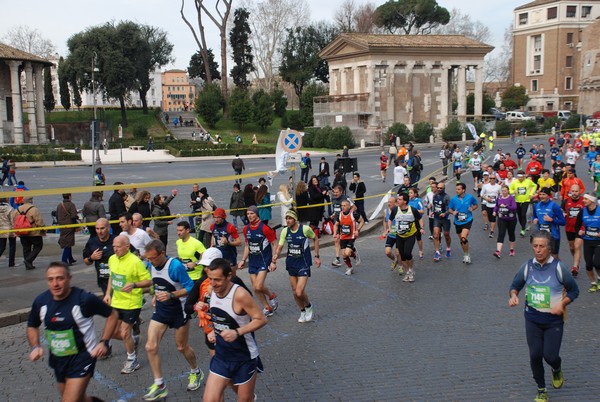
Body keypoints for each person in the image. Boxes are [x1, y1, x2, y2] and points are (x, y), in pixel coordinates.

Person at [27, 262, 118, 402]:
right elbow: (32, 325)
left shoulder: (84, 299)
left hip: (83, 357)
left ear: (69, 278)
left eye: (60, 278)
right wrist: (35, 346)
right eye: (51, 279)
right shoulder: (41, 301)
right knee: (80, 399)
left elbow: (112, 315)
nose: (55, 284)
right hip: (58, 358)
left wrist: (104, 342)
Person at [509, 231, 579, 402]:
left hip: (553, 321)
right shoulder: (527, 266)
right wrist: (513, 295)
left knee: (550, 356)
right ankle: (541, 389)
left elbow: (574, 290)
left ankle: (556, 368)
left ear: (549, 248)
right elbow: (515, 285)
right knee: (535, 355)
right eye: (535, 246)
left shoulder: (559, 267)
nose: (538, 250)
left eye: (542, 247)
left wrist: (562, 304)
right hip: (532, 318)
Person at [143, 240, 202, 401]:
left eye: (153, 258)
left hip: (179, 311)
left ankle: (195, 371)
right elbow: (156, 282)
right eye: (148, 259)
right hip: (162, 311)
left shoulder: (175, 266)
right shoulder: (151, 265)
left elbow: (191, 287)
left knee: (181, 347)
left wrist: (171, 295)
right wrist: (155, 293)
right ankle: (160, 384)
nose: (151, 262)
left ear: (162, 253)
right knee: (150, 346)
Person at [202, 258, 268, 402]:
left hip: (243, 357)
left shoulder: (240, 295)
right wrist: (214, 330)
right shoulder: (211, 290)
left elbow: (261, 319)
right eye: (210, 279)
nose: (213, 284)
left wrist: (237, 332)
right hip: (222, 356)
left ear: (229, 276)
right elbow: (219, 316)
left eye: (218, 280)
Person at [104, 235, 152, 374]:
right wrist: (108, 294)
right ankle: (132, 339)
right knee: (111, 333)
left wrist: (134, 284)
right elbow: (112, 277)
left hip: (132, 303)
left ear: (127, 246)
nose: (115, 249)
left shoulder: (135, 262)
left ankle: (132, 360)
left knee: (125, 332)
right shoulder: (112, 259)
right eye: (113, 246)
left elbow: (148, 281)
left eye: (118, 247)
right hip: (116, 302)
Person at [271, 209, 320, 322]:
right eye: (286, 218)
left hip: (303, 263)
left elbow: (315, 239)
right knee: (294, 291)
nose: (287, 220)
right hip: (291, 263)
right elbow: (280, 246)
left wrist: (316, 256)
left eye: (290, 218)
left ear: (295, 219)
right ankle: (302, 311)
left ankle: (308, 306)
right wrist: (275, 257)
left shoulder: (305, 229)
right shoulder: (285, 231)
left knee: (299, 291)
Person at [238, 205, 279, 317]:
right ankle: (268, 307)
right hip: (252, 261)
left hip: (264, 261)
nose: (250, 216)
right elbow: (247, 245)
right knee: (255, 288)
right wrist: (243, 260)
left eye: (252, 213)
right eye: (248, 214)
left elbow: (275, 243)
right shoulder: (246, 229)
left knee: (258, 286)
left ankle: (271, 296)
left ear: (257, 214)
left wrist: (273, 261)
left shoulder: (264, 228)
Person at [390, 193, 423, 282]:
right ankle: (408, 272)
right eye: (398, 199)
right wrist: (388, 229)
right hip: (399, 236)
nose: (398, 201)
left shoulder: (412, 210)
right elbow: (390, 219)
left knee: (407, 253)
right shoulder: (395, 210)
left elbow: (420, 218)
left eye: (400, 199)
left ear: (405, 201)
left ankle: (411, 269)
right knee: (402, 256)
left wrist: (422, 228)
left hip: (410, 235)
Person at [574, 194, 600, 292]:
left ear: (592, 200)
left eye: (586, 199)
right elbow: (577, 226)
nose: (583, 200)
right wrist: (579, 233)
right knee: (589, 264)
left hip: (598, 241)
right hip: (588, 241)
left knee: (597, 263)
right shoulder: (582, 212)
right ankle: (593, 283)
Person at [83, 218, 115, 294]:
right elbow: (86, 261)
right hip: (103, 280)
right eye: (97, 229)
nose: (100, 231)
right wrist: (92, 258)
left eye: (102, 228)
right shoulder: (92, 242)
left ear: (108, 228)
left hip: (117, 279)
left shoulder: (116, 240)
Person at [448, 183, 478, 264]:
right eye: (456, 189)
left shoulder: (470, 197)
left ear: (463, 190)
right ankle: (466, 254)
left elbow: (476, 205)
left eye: (458, 189)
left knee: (463, 238)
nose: (456, 190)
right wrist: (452, 212)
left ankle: (467, 256)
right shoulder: (454, 199)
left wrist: (472, 208)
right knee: (461, 240)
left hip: (467, 220)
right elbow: (449, 209)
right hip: (457, 222)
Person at [532, 188, 566, 259]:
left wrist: (552, 220)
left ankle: (558, 268)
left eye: (544, 194)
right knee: (543, 255)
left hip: (553, 235)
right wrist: (534, 219)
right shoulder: (536, 205)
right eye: (540, 194)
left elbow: (563, 222)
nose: (541, 196)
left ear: (549, 195)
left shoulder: (554, 206)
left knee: (554, 256)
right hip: (541, 235)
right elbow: (534, 216)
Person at [333, 199, 364, 276]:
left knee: (347, 253)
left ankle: (353, 254)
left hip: (351, 236)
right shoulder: (339, 215)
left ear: (349, 206)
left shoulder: (353, 214)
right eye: (341, 206)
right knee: (344, 255)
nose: (342, 207)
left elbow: (362, 221)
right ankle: (350, 267)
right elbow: (336, 224)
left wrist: (358, 230)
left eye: (344, 206)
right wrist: (335, 233)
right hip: (343, 237)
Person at [562, 184, 584, 276]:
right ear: (570, 191)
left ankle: (575, 266)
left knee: (577, 246)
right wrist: (563, 214)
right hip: (569, 228)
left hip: (580, 228)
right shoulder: (566, 201)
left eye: (576, 191)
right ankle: (576, 260)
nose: (575, 193)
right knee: (572, 247)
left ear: (579, 191)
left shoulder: (584, 201)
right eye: (573, 191)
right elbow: (561, 210)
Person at [17, 196, 45, 270]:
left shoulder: (17, 209)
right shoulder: (34, 209)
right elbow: (39, 221)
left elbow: (15, 220)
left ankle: (28, 265)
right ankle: (28, 260)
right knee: (38, 246)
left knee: (26, 248)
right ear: (31, 201)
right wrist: (43, 228)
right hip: (33, 232)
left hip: (22, 232)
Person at [510, 171, 538, 237]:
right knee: (519, 215)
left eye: (521, 177)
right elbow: (510, 190)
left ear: (524, 176)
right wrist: (513, 191)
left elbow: (535, 186)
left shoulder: (528, 181)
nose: (520, 179)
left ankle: (523, 229)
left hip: (526, 200)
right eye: (519, 177)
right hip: (517, 200)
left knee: (523, 214)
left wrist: (531, 193)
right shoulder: (514, 182)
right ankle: (523, 226)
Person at [493, 185, 518, 258]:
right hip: (501, 218)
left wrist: (506, 206)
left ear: (508, 191)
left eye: (505, 191)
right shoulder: (499, 198)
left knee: (511, 233)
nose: (503, 192)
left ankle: (512, 249)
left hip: (511, 219)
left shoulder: (511, 198)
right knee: (501, 233)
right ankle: (498, 251)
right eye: (502, 191)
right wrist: (494, 211)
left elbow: (514, 207)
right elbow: (496, 205)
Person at [56, 193, 79, 266]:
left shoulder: (59, 205)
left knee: (68, 242)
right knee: (68, 243)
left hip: (62, 225)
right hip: (69, 225)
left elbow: (56, 215)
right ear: (69, 196)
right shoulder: (71, 205)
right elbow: (73, 215)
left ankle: (70, 258)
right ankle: (64, 260)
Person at [432, 182, 452, 262]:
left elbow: (450, 208)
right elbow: (435, 205)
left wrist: (445, 213)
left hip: (445, 219)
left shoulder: (446, 197)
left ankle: (448, 248)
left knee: (446, 234)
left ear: (444, 188)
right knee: (436, 235)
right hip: (437, 218)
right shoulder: (435, 195)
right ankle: (437, 252)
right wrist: (433, 211)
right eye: (438, 188)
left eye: (441, 188)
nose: (439, 189)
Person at [383, 195, 401, 271]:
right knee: (387, 252)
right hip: (391, 235)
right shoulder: (385, 211)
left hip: (399, 235)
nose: (389, 204)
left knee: (398, 253)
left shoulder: (399, 211)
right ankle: (394, 260)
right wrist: (385, 230)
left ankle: (400, 266)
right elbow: (384, 221)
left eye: (391, 202)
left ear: (395, 203)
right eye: (388, 202)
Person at [408, 187, 425, 259]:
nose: (409, 194)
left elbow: (422, 211)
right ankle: (408, 251)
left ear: (415, 194)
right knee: (409, 237)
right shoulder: (408, 201)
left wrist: (414, 211)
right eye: (409, 193)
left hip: (417, 220)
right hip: (409, 221)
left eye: (411, 193)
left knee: (418, 238)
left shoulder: (418, 201)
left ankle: (420, 251)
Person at [0, 197, 16, 268]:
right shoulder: (10, 209)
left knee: (2, 246)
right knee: (12, 246)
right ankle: (11, 263)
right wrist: (14, 231)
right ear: (7, 200)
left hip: (1, 229)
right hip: (9, 229)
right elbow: (12, 220)